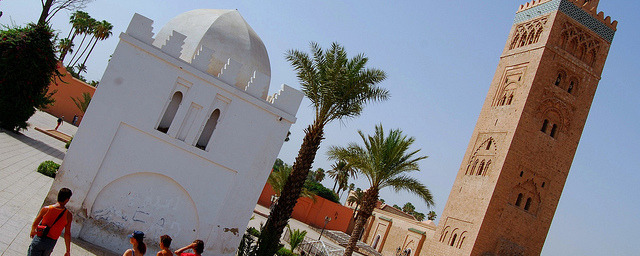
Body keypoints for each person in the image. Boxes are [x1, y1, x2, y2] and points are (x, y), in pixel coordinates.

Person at [28, 188, 73, 256]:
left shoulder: (46, 209)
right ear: (67, 200)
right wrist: (67, 251)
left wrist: (33, 230)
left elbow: (36, 222)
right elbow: (67, 234)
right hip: (50, 243)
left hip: (39, 238)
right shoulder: (68, 215)